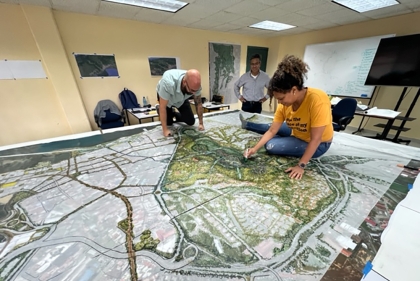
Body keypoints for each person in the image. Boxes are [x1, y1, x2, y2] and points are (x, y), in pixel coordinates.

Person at [240, 55, 333, 179]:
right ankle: (249, 125)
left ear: (294, 90)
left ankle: (286, 140)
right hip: (297, 130)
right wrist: (254, 149)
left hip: (319, 143)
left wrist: (301, 166)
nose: (280, 102)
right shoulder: (284, 104)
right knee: (272, 127)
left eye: (281, 98)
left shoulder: (317, 99)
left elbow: (316, 139)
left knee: (271, 146)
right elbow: (273, 130)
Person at [156, 69, 204, 137]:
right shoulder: (168, 83)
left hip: (181, 98)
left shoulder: (195, 86)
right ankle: (161, 110)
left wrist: (201, 123)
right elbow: (163, 107)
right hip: (167, 99)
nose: (194, 93)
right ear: (184, 82)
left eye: (196, 91)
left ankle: (174, 113)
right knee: (169, 123)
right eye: (192, 90)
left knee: (191, 122)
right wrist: (165, 130)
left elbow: (198, 103)